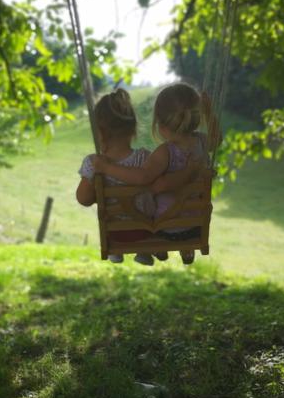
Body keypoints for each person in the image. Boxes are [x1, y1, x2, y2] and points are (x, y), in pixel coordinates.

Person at [92, 82, 221, 265]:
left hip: (166, 228)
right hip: (195, 227)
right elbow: (218, 139)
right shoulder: (201, 143)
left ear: (160, 125)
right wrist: (209, 112)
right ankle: (186, 249)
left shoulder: (164, 153)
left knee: (149, 204)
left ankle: (159, 248)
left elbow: (144, 178)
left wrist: (107, 168)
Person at [76, 88, 196, 266]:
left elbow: (84, 199)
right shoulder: (146, 159)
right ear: (133, 130)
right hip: (145, 231)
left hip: (115, 233)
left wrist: (98, 193)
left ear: (99, 133)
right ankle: (144, 251)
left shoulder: (94, 163)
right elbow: (162, 190)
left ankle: (117, 253)